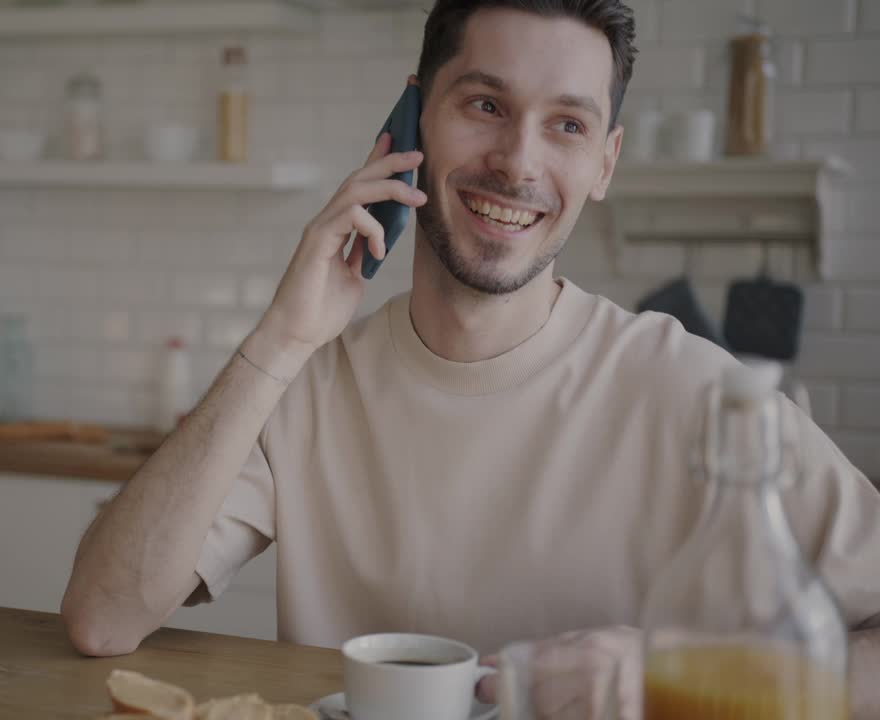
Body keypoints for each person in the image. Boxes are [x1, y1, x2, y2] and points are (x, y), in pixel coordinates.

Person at [62, 0, 880, 717]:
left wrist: (677, 676)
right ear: (413, 122)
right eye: (486, 103)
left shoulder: (699, 390)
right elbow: (103, 617)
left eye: (568, 124)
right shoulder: (307, 382)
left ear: (605, 161)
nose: (520, 162)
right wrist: (280, 336)